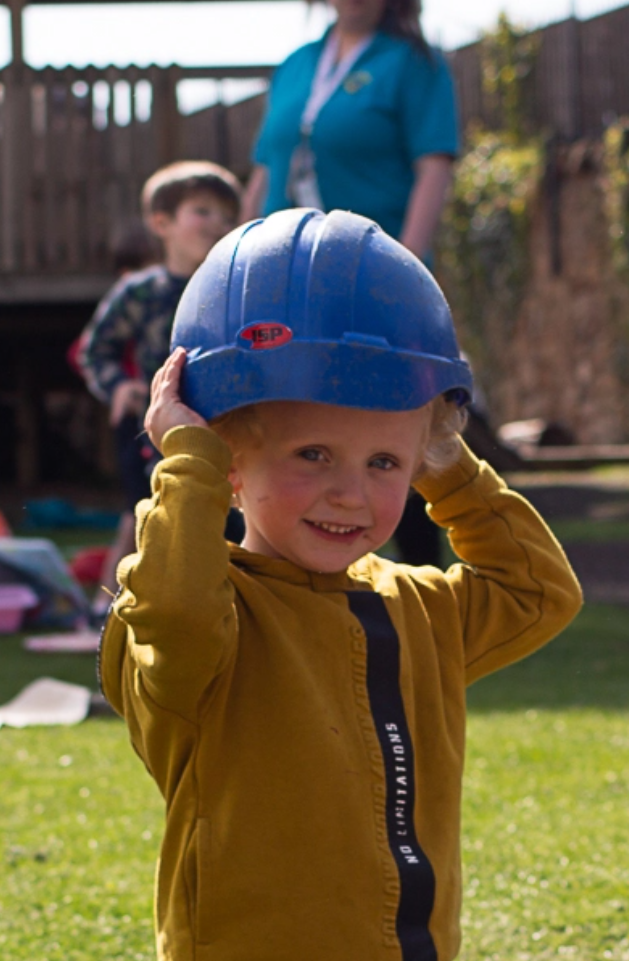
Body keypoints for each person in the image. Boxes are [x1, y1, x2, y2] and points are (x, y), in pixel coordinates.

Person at [99, 208, 581, 961]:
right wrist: (186, 461)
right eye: (308, 454)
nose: (349, 490)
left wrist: (451, 464)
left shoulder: (412, 605)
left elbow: (538, 590)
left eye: (380, 459)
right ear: (232, 454)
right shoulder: (200, 617)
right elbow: (165, 604)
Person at [246, 0, 468, 568]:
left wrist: (407, 271)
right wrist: (232, 259)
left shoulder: (413, 63)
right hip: (285, 284)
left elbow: (433, 166)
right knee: (274, 425)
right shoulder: (297, 63)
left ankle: (424, 587)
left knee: (391, 426)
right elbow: (268, 170)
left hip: (372, 286)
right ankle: (256, 589)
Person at [79, 160, 243, 607]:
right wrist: (118, 386)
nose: (217, 225)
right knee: (152, 516)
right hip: (152, 429)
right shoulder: (141, 291)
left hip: (227, 425)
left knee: (233, 518)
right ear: (162, 223)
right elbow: (96, 349)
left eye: (227, 217)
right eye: (203, 212)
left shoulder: (236, 290)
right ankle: (120, 607)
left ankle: (235, 606)